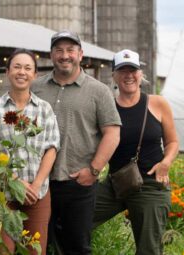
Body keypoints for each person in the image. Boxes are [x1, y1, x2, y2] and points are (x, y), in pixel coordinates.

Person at [31, 31, 121, 254]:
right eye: (59, 50)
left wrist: (93, 170)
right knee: (37, 246)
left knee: (77, 247)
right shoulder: (36, 88)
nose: (65, 55)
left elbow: (112, 134)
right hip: (39, 182)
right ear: (51, 55)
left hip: (78, 183)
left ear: (81, 54)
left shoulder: (98, 91)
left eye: (70, 50)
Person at [93, 49, 179, 255]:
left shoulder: (157, 103)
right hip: (116, 183)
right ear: (114, 75)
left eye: (133, 70)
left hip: (150, 184)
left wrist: (166, 162)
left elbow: (173, 141)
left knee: (148, 249)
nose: (128, 75)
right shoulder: (107, 107)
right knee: (73, 220)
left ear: (141, 74)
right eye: (122, 70)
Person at [0, 49, 60, 255]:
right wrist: (15, 181)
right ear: (8, 72)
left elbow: (51, 149)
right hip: (4, 193)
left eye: (28, 68)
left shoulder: (44, 109)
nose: (22, 72)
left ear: (34, 75)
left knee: (35, 251)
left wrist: (35, 186)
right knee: (2, 251)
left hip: (37, 195)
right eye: (17, 67)